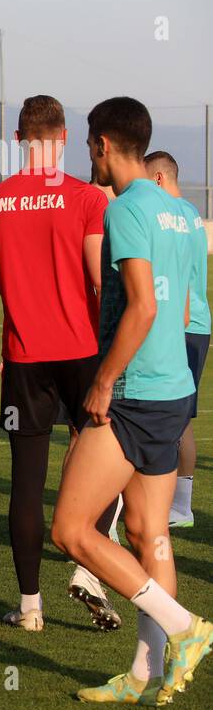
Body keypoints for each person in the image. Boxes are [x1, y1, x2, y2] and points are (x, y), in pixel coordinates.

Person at [51, 96, 211, 705]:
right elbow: (187, 302)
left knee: (71, 529)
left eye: (87, 145)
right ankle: (146, 677)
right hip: (174, 389)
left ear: (102, 144)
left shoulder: (124, 210)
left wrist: (103, 380)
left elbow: (142, 304)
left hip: (135, 393)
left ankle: (185, 628)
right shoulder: (179, 212)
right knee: (150, 534)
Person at [0, 95, 122, 631]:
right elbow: (100, 280)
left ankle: (29, 608)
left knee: (26, 483)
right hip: (85, 354)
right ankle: (87, 563)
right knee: (108, 468)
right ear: (64, 137)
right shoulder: (87, 199)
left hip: (24, 360)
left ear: (20, 139)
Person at [147, 150, 208, 528]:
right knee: (180, 417)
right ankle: (178, 505)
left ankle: (176, 506)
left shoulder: (169, 215)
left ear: (157, 179)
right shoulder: (192, 215)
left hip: (180, 323)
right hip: (195, 323)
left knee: (172, 417)